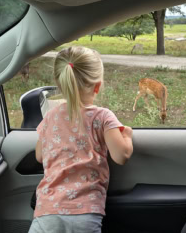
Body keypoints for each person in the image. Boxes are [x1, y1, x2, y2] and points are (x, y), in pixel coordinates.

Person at [28, 46, 133, 233]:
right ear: (97, 85)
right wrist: (127, 136)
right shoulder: (102, 117)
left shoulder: (51, 116)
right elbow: (121, 155)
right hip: (85, 212)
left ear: (60, 84)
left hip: (47, 210)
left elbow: (39, 156)